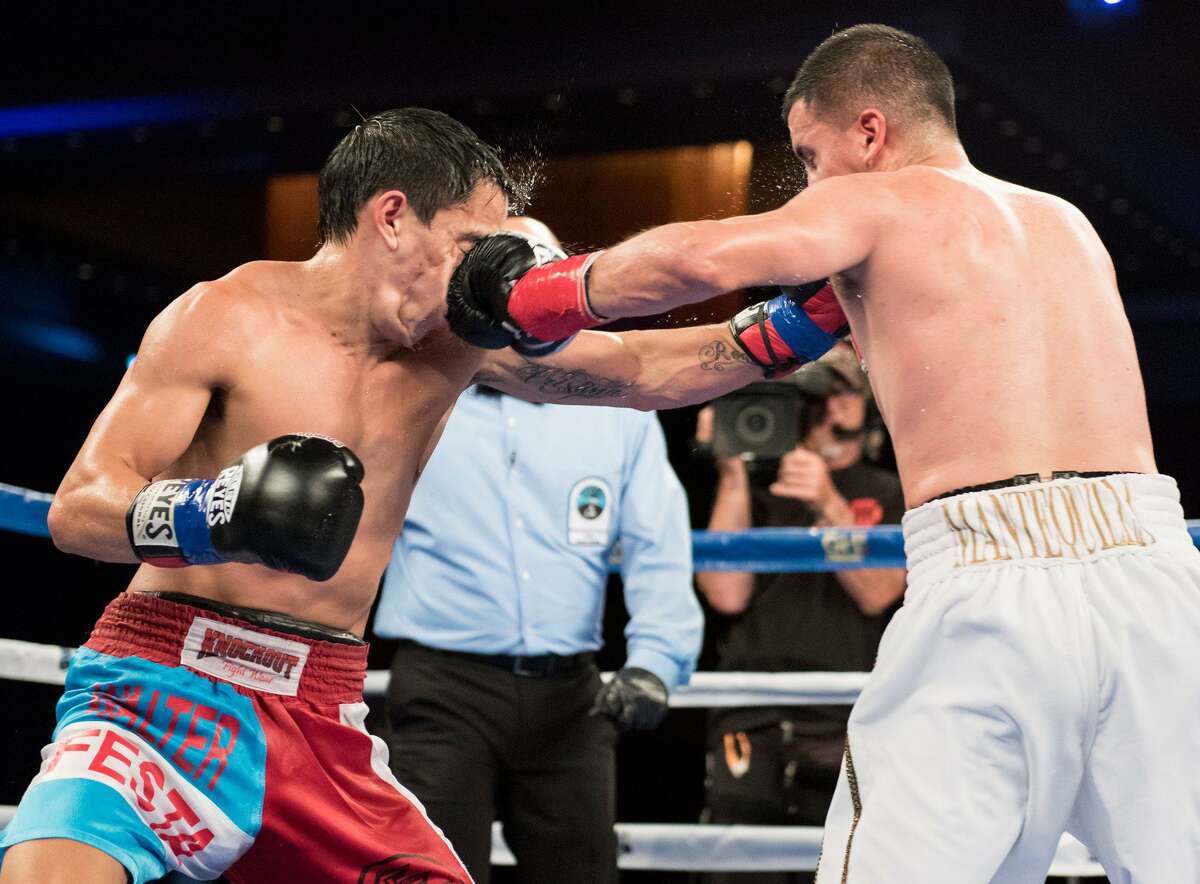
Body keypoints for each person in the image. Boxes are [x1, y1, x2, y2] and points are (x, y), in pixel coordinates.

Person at [447, 24, 1200, 884]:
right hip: (1158, 582)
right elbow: (675, 371)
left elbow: (698, 256)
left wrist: (536, 293)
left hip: (995, 589)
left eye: (809, 156)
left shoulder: (879, 203)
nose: (807, 183)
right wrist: (499, 361)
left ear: (869, 133)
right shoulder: (1065, 224)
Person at [0, 106, 824, 884]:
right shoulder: (226, 316)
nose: (489, 279)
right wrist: (213, 515)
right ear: (393, 217)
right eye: (472, 242)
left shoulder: (455, 345)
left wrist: (805, 322)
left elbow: (644, 371)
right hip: (162, 684)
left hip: (320, 710)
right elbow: (79, 509)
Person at [376, 221, 701, 880]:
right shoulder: (418, 393)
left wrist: (656, 662)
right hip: (443, 689)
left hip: (571, 696)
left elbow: (656, 542)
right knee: (430, 876)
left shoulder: (614, 404)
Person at [694, 346, 904, 884]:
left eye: (841, 393)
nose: (829, 407)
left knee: (845, 866)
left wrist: (827, 503)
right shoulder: (755, 493)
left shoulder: (889, 492)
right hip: (751, 709)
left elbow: (878, 592)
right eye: (816, 394)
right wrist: (733, 472)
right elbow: (724, 593)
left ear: (866, 405)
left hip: (846, 717)